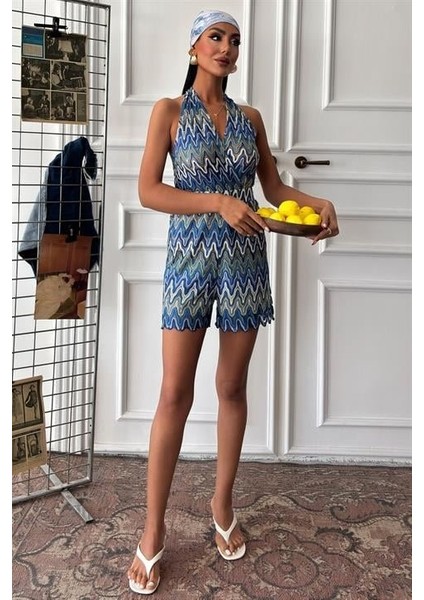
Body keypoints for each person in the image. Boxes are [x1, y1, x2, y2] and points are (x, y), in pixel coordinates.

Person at [127, 9, 339, 595]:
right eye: (215, 37)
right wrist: (217, 202)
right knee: (174, 392)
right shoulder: (169, 111)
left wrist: (316, 202)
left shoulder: (251, 118)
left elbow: (273, 189)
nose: (226, 47)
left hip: (245, 262)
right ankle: (153, 528)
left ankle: (222, 505)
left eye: (234, 40)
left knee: (232, 388)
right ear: (194, 48)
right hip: (189, 261)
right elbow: (148, 190)